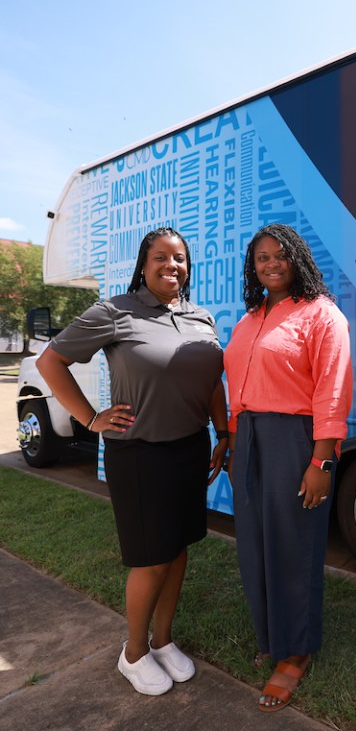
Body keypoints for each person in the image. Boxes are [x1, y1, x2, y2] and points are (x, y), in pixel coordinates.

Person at [37, 226, 228, 696]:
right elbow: (50, 362)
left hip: (190, 449)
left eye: (180, 258)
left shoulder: (200, 316)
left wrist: (223, 433)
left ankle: (163, 642)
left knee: (179, 549)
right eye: (161, 257)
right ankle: (135, 653)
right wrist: (89, 417)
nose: (172, 266)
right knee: (152, 559)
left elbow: (213, 383)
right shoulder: (115, 312)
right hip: (140, 453)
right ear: (143, 264)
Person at [224, 223, 353, 713]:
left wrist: (322, 459)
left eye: (280, 255)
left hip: (295, 441)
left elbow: (332, 391)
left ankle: (295, 651)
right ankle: (272, 636)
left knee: (293, 545)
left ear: (297, 258)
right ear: (252, 267)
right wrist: (235, 443)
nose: (271, 263)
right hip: (249, 438)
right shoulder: (249, 317)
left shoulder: (322, 315)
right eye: (261, 258)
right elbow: (237, 387)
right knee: (255, 544)